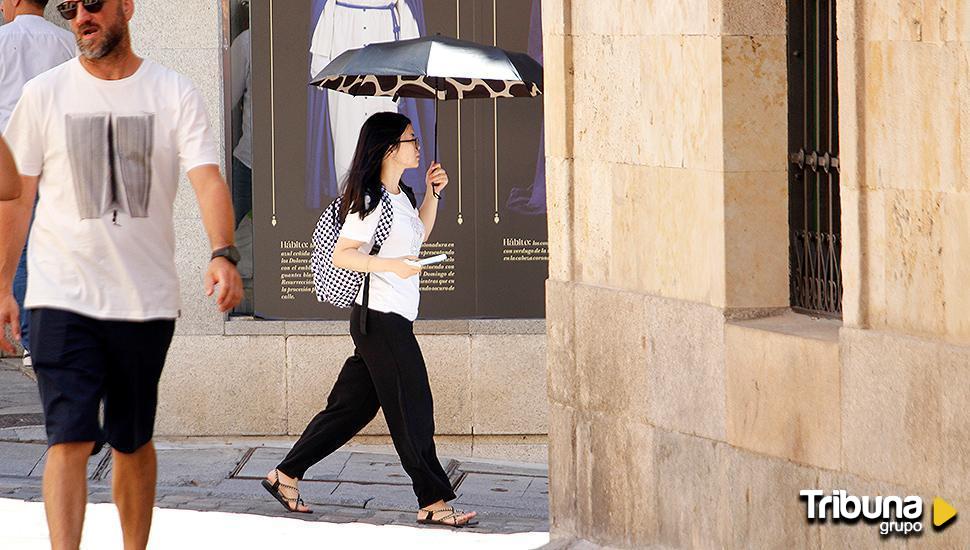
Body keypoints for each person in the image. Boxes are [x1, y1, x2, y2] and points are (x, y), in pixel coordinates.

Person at [0, 1, 243, 548]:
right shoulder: (45, 93)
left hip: (144, 300)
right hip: (61, 295)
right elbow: (16, 197)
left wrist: (223, 251)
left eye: (92, 3)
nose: (79, 16)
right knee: (69, 435)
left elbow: (207, 178)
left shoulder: (172, 90)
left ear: (126, 6)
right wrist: (1, 287)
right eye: (69, 8)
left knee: (133, 438)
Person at [263, 112, 477, 528]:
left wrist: (434, 195)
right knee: (413, 406)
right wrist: (390, 266)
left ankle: (285, 475)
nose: (418, 146)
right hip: (379, 319)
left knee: (350, 408)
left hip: (393, 317)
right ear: (389, 149)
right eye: (411, 140)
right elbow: (344, 253)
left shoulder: (402, 195)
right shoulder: (370, 198)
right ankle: (433, 501)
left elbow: (419, 236)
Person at [0, 0, 76, 367]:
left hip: (10, 160)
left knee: (17, 248)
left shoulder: (1, 40)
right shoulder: (67, 41)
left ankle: (30, 336)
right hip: (57, 158)